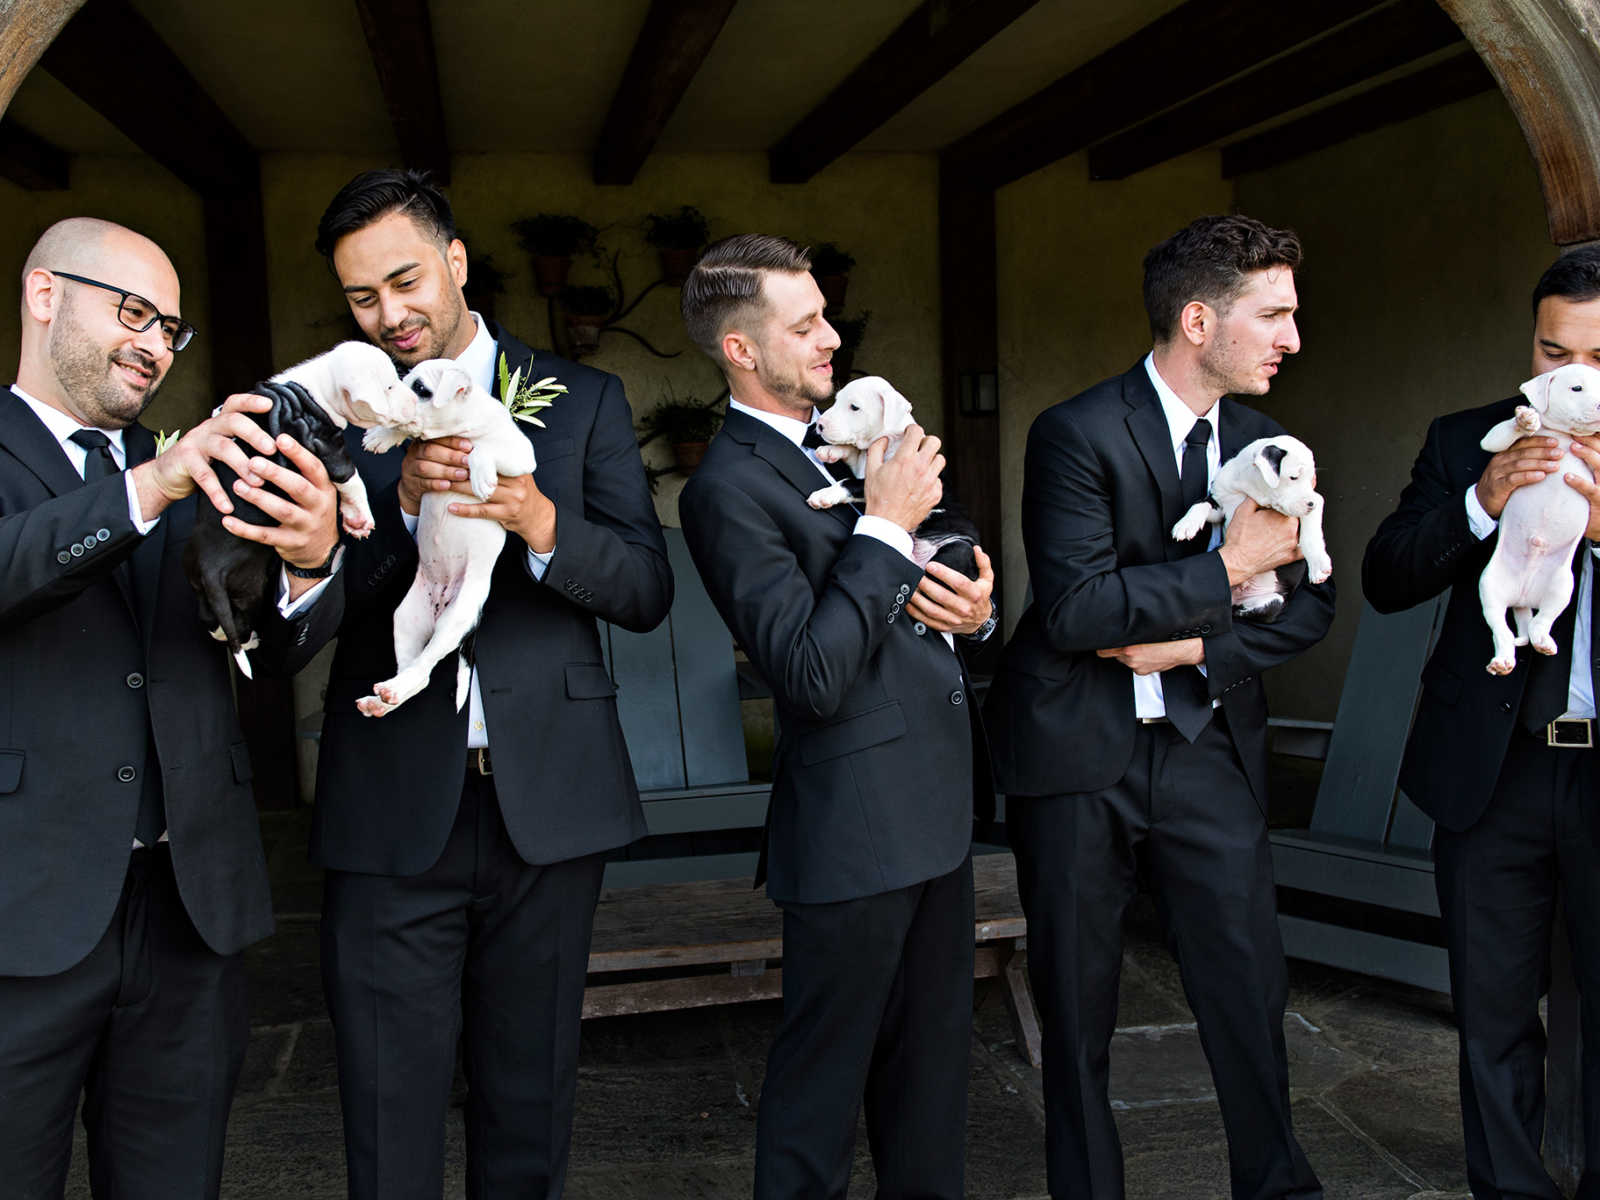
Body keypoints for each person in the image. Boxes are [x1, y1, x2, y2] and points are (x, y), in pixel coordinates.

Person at [304, 169, 672, 1200]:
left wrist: (543, 526)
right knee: (386, 1111)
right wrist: (393, 500)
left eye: (405, 280)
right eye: (362, 297)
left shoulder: (585, 398)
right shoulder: (341, 419)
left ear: (455, 263)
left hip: (548, 807)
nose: (390, 313)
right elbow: (314, 601)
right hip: (390, 805)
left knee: (531, 1102)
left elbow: (645, 589)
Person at [984, 214, 1333, 1200]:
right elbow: (1077, 610)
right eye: (1272, 315)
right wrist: (1227, 567)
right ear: (1196, 319)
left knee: (1248, 989)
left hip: (1206, 744)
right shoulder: (1075, 432)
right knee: (1074, 1004)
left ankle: (1277, 1188)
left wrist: (1189, 641)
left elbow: (1313, 603)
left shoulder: (1275, 444)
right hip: (1073, 750)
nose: (1290, 339)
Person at [0, 217, 343, 1197]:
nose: (156, 343)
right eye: (136, 313)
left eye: (172, 329)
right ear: (44, 296)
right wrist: (149, 485)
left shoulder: (193, 472)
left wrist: (313, 563)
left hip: (188, 913)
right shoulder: (165, 473)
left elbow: (269, 653)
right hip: (20, 911)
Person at [676, 234, 997, 1200]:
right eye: (804, 323)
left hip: (936, 814)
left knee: (933, 1084)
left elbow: (923, 583)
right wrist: (887, 524)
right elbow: (809, 672)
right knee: (822, 1094)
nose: (830, 337)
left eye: (826, 316)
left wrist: (973, 615)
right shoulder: (725, 489)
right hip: (852, 830)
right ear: (741, 350)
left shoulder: (856, 437)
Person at [1364, 245, 1600, 1200]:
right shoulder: (1470, 435)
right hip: (1492, 771)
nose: (1571, 378)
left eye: (1594, 357)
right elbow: (1386, 576)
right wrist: (1482, 498)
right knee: (1493, 1011)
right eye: (1552, 353)